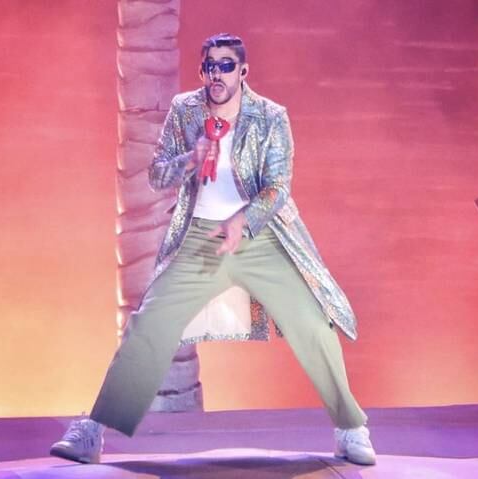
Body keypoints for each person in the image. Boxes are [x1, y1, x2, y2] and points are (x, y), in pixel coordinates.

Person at [49, 33, 376, 466]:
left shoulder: (270, 116)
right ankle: (93, 430)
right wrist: (189, 158)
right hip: (202, 239)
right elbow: (156, 175)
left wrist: (243, 220)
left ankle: (350, 428)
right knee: (150, 323)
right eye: (209, 66)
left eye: (225, 65)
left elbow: (278, 186)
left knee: (313, 323)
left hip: (262, 237)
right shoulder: (185, 109)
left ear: (243, 71)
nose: (216, 74)